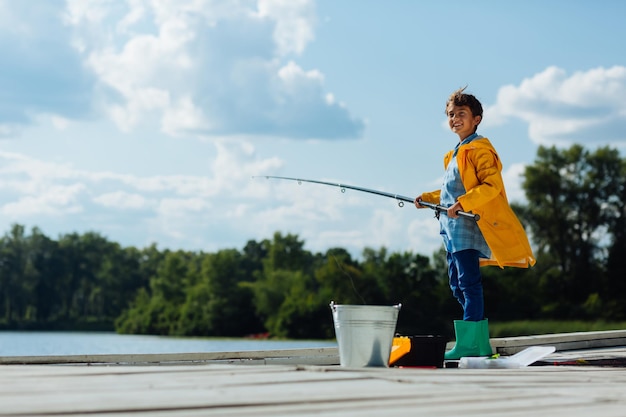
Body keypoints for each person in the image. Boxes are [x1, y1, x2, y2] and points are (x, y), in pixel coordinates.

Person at [414, 87, 535, 360]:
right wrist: (428, 198)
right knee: (457, 284)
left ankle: (471, 343)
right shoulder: (455, 152)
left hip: (468, 228)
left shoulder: (480, 149)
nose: (455, 119)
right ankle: (476, 339)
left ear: (476, 119)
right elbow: (450, 193)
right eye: (451, 115)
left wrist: (464, 204)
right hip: (451, 231)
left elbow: (490, 185)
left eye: (461, 114)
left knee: (469, 284)